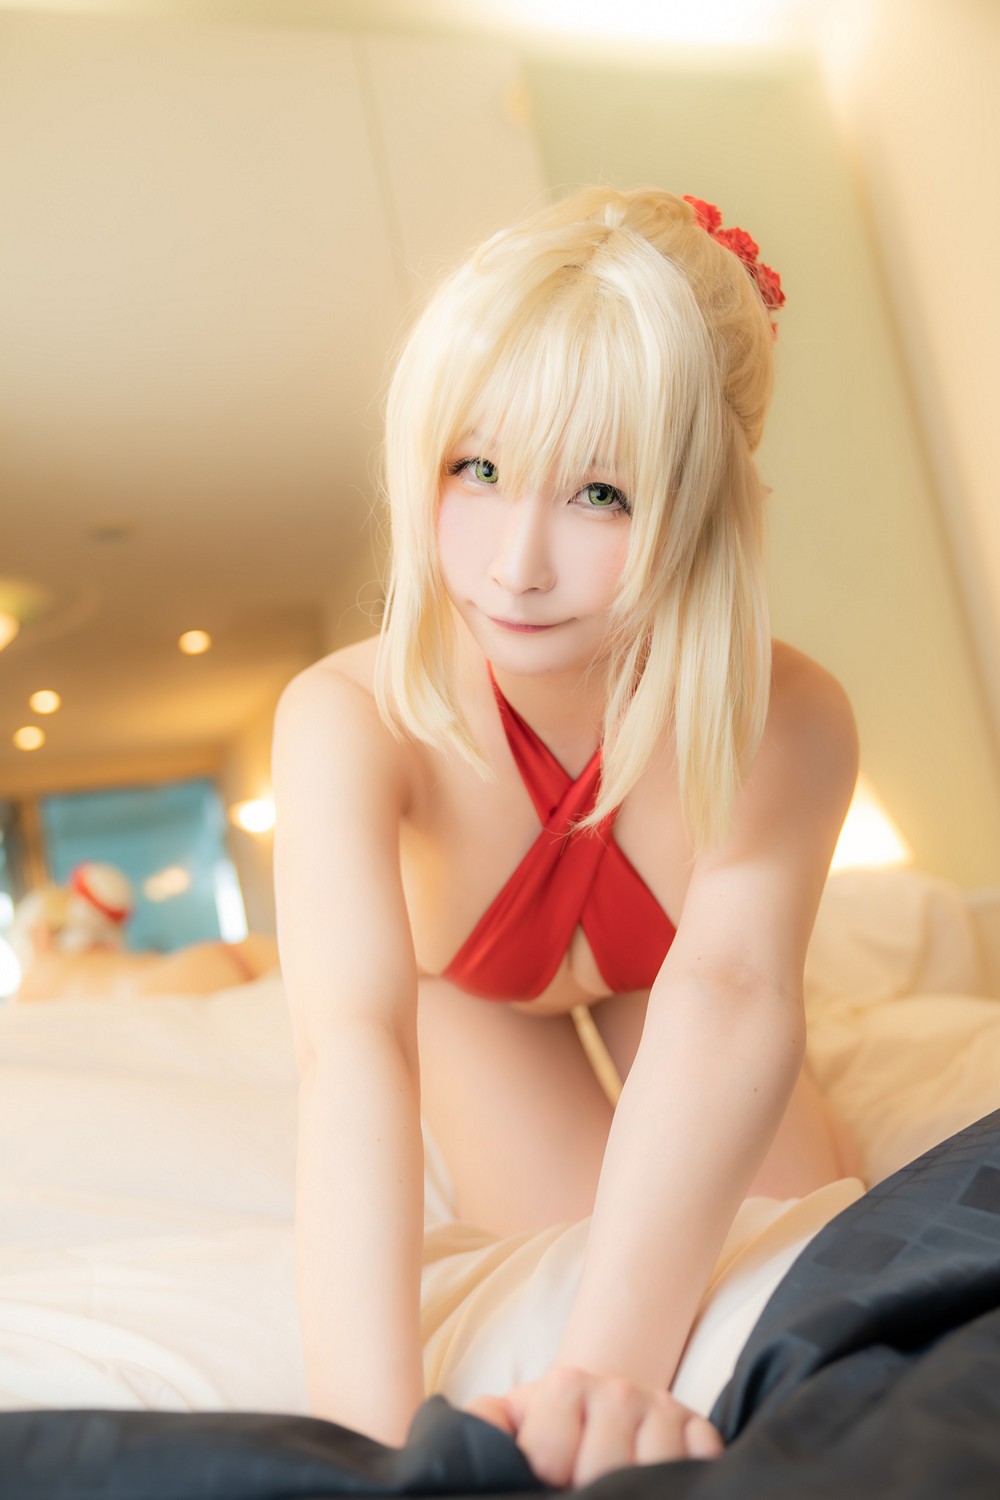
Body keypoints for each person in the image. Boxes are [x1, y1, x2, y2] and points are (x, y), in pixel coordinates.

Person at [272, 186, 860, 1487]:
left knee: (795, 1250)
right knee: (569, 1242)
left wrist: (607, 1379)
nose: (515, 566)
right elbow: (353, 1049)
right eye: (476, 470)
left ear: (708, 502)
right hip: (470, 1003)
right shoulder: (346, 718)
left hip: (674, 983)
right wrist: (365, 1444)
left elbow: (730, 985)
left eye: (602, 493)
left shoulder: (790, 717)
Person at [10, 861, 278, 1000]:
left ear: (40, 935)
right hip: (228, 956)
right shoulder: (115, 956)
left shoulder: (38, 979)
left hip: (192, 984)